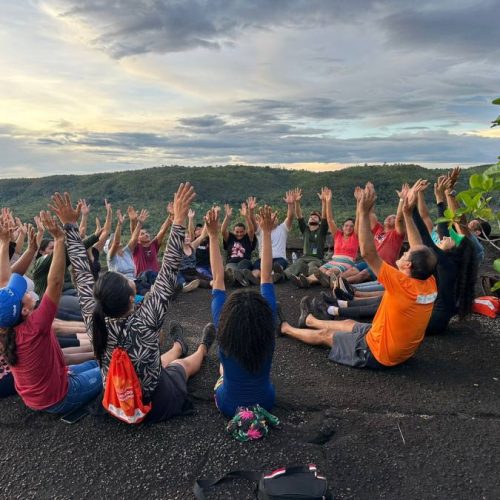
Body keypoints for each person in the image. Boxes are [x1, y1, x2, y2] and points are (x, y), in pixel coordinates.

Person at [57, 185, 214, 423]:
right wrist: (179, 221)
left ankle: (179, 345)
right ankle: (201, 348)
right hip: (153, 401)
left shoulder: (94, 319)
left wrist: (70, 227)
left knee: (157, 361)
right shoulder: (146, 319)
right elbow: (169, 268)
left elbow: (81, 272)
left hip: (117, 400)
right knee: (179, 368)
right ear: (132, 299)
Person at [279, 182, 438, 369]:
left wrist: (362, 213)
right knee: (349, 324)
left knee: (326, 336)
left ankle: (285, 328)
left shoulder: (401, 283)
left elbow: (369, 253)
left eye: (406, 254)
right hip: (397, 344)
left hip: (378, 353)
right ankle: (309, 320)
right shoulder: (428, 281)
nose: (404, 252)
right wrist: (408, 214)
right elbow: (418, 247)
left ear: (408, 265)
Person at [0, 211, 102, 414]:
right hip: (61, 396)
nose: (27, 292)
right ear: (26, 310)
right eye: (23, 294)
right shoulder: (34, 325)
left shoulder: (7, 328)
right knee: (113, 369)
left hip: (39, 395)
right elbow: (54, 283)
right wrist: (59, 238)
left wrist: (5, 243)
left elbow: (4, 282)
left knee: (95, 361)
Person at [207, 205, 277, 418]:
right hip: (266, 402)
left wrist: (212, 236)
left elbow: (218, 279)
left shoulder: (223, 323)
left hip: (229, 406)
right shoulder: (268, 321)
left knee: (223, 366)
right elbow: (266, 277)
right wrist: (265, 232)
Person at [292, 187, 359, 288]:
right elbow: (330, 219)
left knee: (330, 271)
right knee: (321, 270)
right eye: (346, 225)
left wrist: (359, 201)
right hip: (333, 260)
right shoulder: (338, 235)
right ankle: (311, 281)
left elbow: (359, 218)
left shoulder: (355, 236)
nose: (349, 228)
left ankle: (310, 281)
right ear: (342, 227)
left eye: (351, 226)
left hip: (346, 262)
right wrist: (328, 201)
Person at [243, 192, 294, 285]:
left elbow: (290, 217)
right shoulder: (260, 230)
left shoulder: (283, 228)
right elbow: (252, 221)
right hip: (263, 259)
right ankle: (253, 278)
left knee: (277, 266)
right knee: (256, 268)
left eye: (274, 216)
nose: (272, 218)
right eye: (269, 216)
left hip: (279, 259)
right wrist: (251, 210)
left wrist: (290, 204)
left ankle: (273, 276)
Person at [284, 188, 329, 281]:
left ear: (319, 221)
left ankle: (314, 278)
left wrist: (324, 201)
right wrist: (296, 202)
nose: (312, 218)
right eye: (311, 217)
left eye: (315, 217)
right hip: (304, 258)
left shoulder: (322, 229)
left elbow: (325, 216)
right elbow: (299, 216)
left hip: (316, 259)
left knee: (312, 266)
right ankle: (282, 276)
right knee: (297, 264)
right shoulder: (305, 229)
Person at [128, 203, 173, 278]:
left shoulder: (154, 245)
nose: (146, 234)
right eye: (142, 234)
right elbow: (133, 235)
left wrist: (170, 215)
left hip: (156, 278)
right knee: (149, 273)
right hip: (143, 278)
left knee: (174, 272)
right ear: (137, 238)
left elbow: (162, 230)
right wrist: (133, 221)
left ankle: (182, 285)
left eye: (146, 233)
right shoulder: (136, 247)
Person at [221, 201, 257, 286]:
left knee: (243, 267)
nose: (239, 234)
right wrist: (227, 217)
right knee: (231, 270)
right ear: (233, 231)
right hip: (231, 262)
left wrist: (246, 216)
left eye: (241, 232)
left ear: (245, 232)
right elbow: (222, 230)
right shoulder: (230, 237)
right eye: (237, 232)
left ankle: (240, 278)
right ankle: (244, 280)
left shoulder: (247, 238)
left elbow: (251, 230)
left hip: (245, 261)